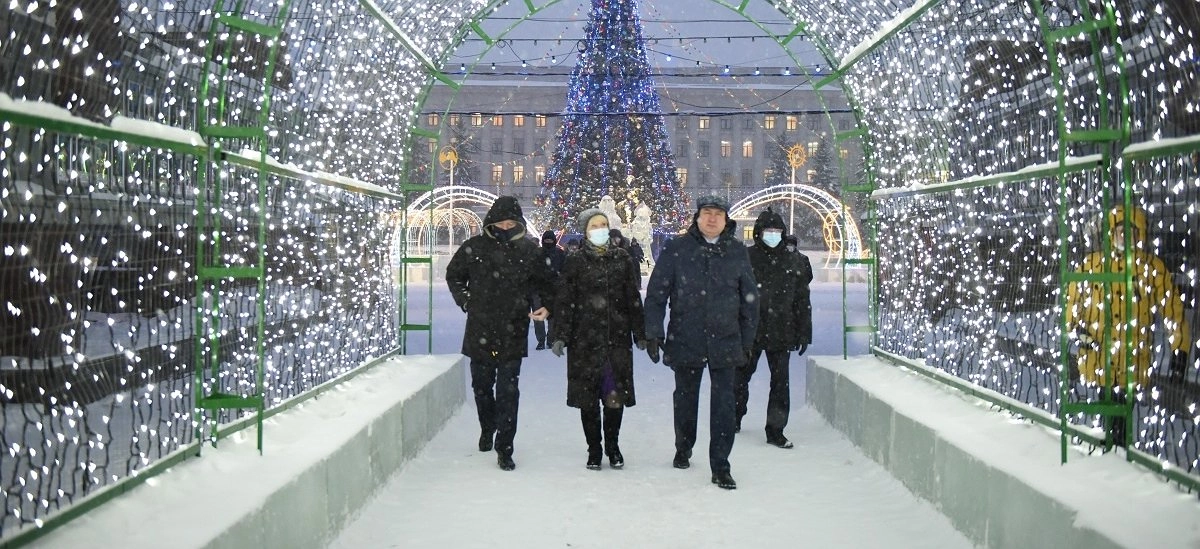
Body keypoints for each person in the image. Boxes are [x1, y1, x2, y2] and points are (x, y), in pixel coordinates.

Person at [643, 195, 758, 490]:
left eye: (718, 214)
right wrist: (653, 331)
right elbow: (657, 293)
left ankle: (721, 466)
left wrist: (747, 341)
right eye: (707, 212)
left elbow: (750, 300)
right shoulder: (678, 248)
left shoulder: (736, 252)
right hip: (686, 337)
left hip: (726, 340)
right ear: (697, 217)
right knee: (685, 398)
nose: (712, 218)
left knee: (724, 406)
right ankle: (684, 446)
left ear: (726, 220)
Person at [1065, 205, 1191, 446]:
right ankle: (1113, 449)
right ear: (1111, 233)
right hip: (1098, 358)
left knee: (1120, 416)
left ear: (1140, 234)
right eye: (1120, 231)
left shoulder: (1152, 268)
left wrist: (1180, 352)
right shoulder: (1091, 265)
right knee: (1110, 413)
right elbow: (1071, 302)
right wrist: (1076, 329)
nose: (1125, 237)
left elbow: (1173, 312)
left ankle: (1115, 449)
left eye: (1131, 232)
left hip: (1133, 361)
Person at [446, 196, 554, 471]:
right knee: (481, 387)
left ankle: (505, 447)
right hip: (480, 328)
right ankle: (488, 426)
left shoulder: (528, 251)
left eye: (511, 223)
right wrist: (466, 300)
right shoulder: (474, 247)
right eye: (501, 223)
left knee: (508, 391)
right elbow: (454, 275)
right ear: (491, 222)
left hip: (513, 329)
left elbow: (546, 282)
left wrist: (545, 305)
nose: (506, 228)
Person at [550, 209, 646, 470]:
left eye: (603, 224)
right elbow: (565, 301)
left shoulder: (622, 258)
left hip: (616, 340)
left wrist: (640, 333)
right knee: (588, 399)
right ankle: (594, 448)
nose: (600, 229)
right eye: (594, 226)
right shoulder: (575, 261)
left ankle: (612, 446)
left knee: (614, 396)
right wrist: (560, 335)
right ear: (585, 231)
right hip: (584, 342)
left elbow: (632, 299)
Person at [736, 208, 813, 449]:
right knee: (740, 377)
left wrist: (804, 332)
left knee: (780, 383)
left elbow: (802, 299)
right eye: (768, 231)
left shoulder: (793, 260)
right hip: (750, 331)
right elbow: (733, 295)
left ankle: (776, 430)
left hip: (782, 329)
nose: (772, 235)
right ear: (758, 233)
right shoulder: (745, 258)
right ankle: (734, 415)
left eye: (777, 231)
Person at [534, 230, 566, 350]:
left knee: (553, 316)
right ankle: (541, 340)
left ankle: (550, 339)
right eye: (546, 240)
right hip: (539, 289)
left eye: (550, 240)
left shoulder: (559, 253)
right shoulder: (537, 253)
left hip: (554, 289)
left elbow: (565, 270)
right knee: (538, 316)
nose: (548, 242)